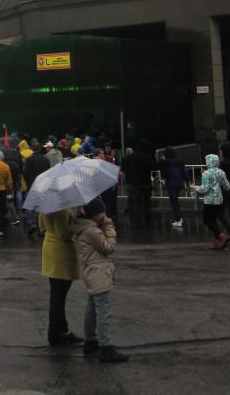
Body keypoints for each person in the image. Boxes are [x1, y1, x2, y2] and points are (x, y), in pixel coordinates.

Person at [72, 198, 129, 363]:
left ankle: (90, 340)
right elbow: (109, 247)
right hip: (99, 274)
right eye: (102, 212)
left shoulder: (84, 228)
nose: (105, 214)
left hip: (92, 273)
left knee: (92, 308)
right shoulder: (92, 231)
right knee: (104, 311)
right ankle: (106, 347)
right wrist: (109, 226)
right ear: (96, 214)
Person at [40, 208, 81, 346]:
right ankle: (57, 334)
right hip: (61, 254)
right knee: (58, 297)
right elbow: (63, 233)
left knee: (57, 295)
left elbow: (41, 227)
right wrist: (75, 220)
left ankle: (59, 331)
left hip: (50, 249)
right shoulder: (61, 210)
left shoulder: (46, 206)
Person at [194, 154, 230, 249]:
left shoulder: (206, 173)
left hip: (210, 201)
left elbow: (204, 189)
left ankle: (221, 236)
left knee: (207, 220)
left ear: (208, 162)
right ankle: (218, 242)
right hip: (219, 200)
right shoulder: (221, 172)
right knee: (213, 220)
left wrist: (196, 187)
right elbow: (227, 186)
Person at [120, 139, 154, 228]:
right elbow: (152, 167)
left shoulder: (131, 157)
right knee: (147, 202)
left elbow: (127, 169)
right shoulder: (147, 157)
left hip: (135, 183)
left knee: (137, 202)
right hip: (146, 182)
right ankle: (148, 219)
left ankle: (137, 221)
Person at [23, 143, 50, 234]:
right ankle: (42, 226)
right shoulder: (46, 159)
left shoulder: (29, 160)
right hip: (43, 185)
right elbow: (48, 173)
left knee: (29, 205)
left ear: (32, 149)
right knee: (42, 206)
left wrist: (28, 181)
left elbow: (25, 173)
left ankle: (32, 224)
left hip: (32, 185)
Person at [158, 147, 189, 227]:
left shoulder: (166, 162)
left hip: (171, 184)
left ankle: (178, 220)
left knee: (174, 203)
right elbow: (184, 171)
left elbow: (164, 173)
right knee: (176, 202)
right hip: (179, 183)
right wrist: (187, 181)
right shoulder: (179, 161)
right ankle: (179, 218)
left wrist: (162, 161)